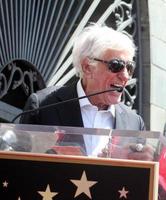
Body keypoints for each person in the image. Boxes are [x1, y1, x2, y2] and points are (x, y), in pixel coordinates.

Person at [20, 24, 151, 159]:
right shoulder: (44, 106)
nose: (125, 76)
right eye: (116, 65)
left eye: (129, 67)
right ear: (88, 67)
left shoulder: (134, 123)